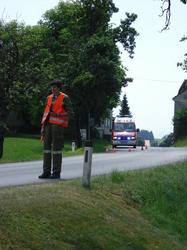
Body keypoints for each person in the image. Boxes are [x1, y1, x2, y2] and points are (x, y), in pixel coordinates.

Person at [39, 79, 74, 179]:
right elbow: (46, 112)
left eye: (54, 87)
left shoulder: (64, 98)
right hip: (47, 126)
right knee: (46, 149)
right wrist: (43, 126)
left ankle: (56, 172)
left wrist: (59, 114)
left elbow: (70, 114)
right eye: (52, 87)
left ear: (59, 88)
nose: (52, 89)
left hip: (58, 127)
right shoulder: (49, 98)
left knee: (56, 150)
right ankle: (46, 172)